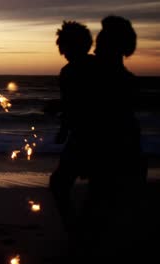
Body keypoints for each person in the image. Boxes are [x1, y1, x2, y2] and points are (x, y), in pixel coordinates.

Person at [79, 16, 147, 263]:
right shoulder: (125, 79)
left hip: (114, 151)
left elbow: (97, 116)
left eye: (101, 41)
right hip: (126, 150)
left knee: (103, 207)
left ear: (111, 45)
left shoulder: (103, 77)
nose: (96, 46)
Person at [48, 21, 96, 233]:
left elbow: (76, 104)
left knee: (59, 183)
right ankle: (83, 228)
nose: (62, 51)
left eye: (64, 45)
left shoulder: (69, 72)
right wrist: (64, 129)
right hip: (101, 136)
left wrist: (59, 115)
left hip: (88, 137)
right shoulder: (99, 66)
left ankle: (76, 229)